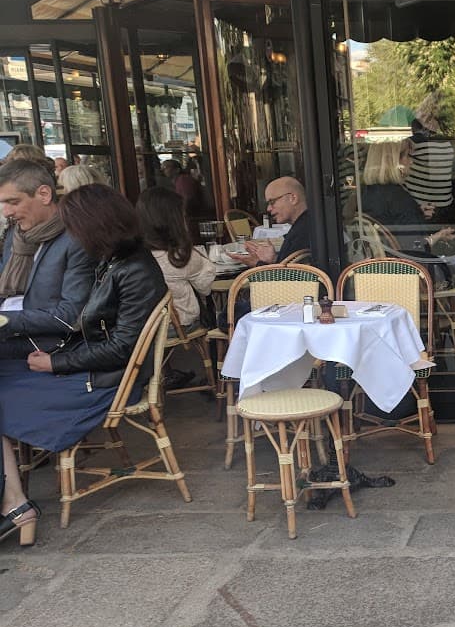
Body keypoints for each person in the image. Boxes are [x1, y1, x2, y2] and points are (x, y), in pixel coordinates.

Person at [0, 183, 167, 547]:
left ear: (94, 225)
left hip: (107, 383)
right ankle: (13, 501)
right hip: (97, 372)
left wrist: (57, 362)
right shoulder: (116, 260)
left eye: (73, 226)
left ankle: (14, 504)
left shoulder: (134, 269)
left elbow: (122, 349)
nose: (70, 235)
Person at [0, 159, 95, 357]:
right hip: (10, 333)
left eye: (13, 202)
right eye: (2, 203)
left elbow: (70, 316)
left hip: (46, 344)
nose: (6, 212)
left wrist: (6, 320)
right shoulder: (15, 235)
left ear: (44, 194)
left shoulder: (76, 239)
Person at [136, 186, 216, 330]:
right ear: (174, 221)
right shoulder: (179, 257)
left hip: (142, 329)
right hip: (177, 326)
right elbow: (206, 286)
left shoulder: (135, 255)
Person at [232, 176, 311, 267]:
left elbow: (287, 275)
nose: (268, 208)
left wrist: (257, 264)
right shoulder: (307, 224)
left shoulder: (301, 234)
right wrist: (273, 259)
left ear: (292, 198)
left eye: (272, 202)